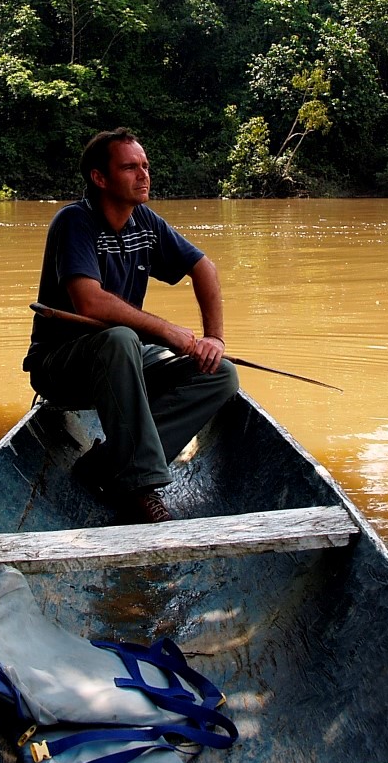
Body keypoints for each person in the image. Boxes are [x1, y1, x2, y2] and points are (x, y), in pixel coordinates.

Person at [25, 128, 240, 523]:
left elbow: (204, 268)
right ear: (100, 178)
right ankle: (139, 486)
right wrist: (167, 331)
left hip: (122, 360)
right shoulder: (75, 222)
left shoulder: (144, 222)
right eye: (130, 167)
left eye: (145, 166)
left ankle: (105, 464)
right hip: (63, 367)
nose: (144, 175)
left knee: (220, 374)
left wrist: (214, 338)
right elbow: (89, 301)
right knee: (120, 339)